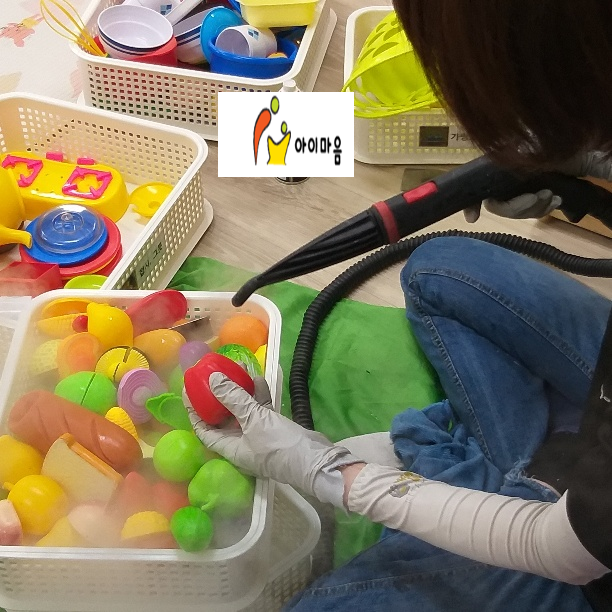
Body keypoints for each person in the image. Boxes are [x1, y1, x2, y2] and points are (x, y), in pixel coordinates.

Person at [186, 2, 612, 610]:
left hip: (580, 553)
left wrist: (330, 473)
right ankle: (504, 472)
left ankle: (504, 484)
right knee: (439, 268)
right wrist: (587, 163)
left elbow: (559, 549)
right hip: (593, 444)